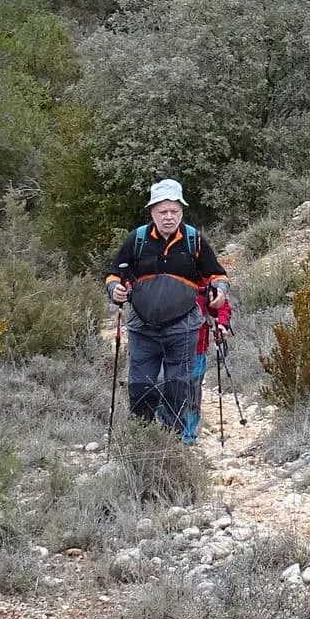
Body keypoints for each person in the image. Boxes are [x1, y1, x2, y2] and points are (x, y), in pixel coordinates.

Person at [105, 179, 230, 438]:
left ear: (182, 211)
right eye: (163, 211)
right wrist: (114, 288)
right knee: (141, 389)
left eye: (174, 210)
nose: (169, 217)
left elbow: (217, 274)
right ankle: (142, 441)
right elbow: (113, 274)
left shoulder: (194, 240)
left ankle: (173, 447)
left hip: (183, 328)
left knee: (177, 389)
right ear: (152, 212)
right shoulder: (137, 239)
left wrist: (220, 291)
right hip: (143, 329)